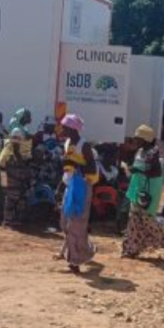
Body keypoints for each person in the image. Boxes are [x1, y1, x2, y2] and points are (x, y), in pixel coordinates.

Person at [121, 125, 164, 260]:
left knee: (147, 220)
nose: (135, 140)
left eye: (138, 138)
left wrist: (138, 171)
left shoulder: (153, 152)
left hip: (148, 191)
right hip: (137, 189)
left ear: (145, 139)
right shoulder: (140, 151)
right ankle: (132, 249)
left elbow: (156, 172)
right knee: (134, 219)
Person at [58, 113, 98, 274]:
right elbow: (67, 168)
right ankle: (86, 250)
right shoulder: (67, 143)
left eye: (64, 127)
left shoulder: (84, 145)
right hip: (70, 186)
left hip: (82, 187)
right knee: (64, 221)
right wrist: (61, 186)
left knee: (76, 224)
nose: (62, 129)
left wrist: (75, 165)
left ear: (72, 129)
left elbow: (92, 169)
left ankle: (74, 260)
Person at [0, 122, 37, 227]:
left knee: (19, 202)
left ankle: (14, 220)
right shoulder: (7, 152)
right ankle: (8, 220)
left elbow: (27, 167)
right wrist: (3, 183)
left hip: (20, 183)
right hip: (12, 183)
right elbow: (2, 167)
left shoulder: (24, 151)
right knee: (10, 202)